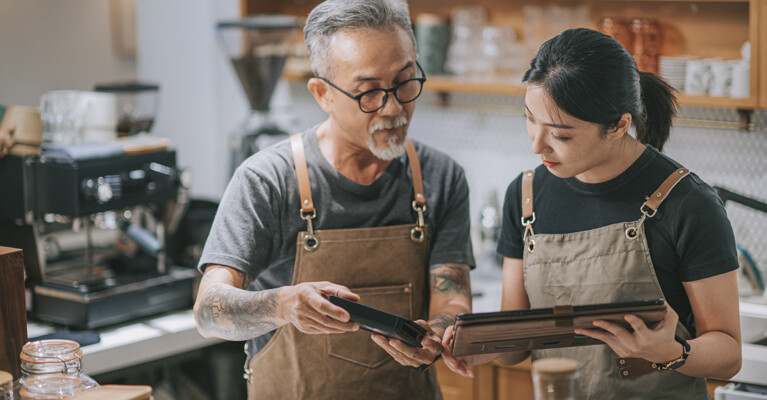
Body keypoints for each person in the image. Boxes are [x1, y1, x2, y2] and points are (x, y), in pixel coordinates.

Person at [193, 1, 474, 399]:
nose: (394, 108)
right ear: (322, 93)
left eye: (405, 82)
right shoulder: (267, 181)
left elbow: (453, 291)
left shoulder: (440, 176)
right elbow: (208, 311)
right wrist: (282, 305)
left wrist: (441, 330)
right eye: (370, 92)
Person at [442, 28, 741, 399]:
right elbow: (516, 346)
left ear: (618, 125)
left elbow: (728, 353)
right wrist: (476, 344)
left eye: (560, 134)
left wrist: (672, 352)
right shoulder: (525, 196)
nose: (536, 144)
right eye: (530, 119)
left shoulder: (688, 203)